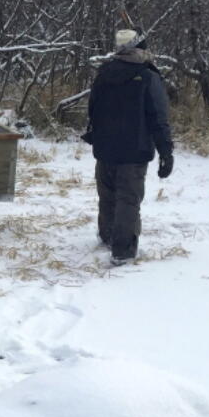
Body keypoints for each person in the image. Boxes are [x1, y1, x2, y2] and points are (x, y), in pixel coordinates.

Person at [83, 28, 174, 266]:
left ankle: (107, 237)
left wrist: (96, 135)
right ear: (140, 48)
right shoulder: (148, 76)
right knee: (128, 200)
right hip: (134, 150)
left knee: (108, 195)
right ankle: (122, 251)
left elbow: (92, 109)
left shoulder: (104, 73)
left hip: (105, 149)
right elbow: (159, 117)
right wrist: (166, 151)